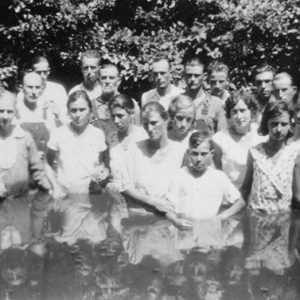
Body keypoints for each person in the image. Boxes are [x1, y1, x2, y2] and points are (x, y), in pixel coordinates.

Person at [118, 102, 186, 214]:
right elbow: (125, 186)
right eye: (145, 124)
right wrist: (153, 201)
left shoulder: (179, 151)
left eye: (154, 123)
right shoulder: (134, 149)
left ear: (166, 120)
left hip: (169, 218)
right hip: (139, 218)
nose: (150, 128)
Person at [166, 132, 245, 228]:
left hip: (209, 231)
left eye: (204, 154)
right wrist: (175, 220)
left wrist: (222, 217)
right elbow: (167, 206)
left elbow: (240, 201)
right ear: (188, 153)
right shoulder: (180, 175)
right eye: (194, 153)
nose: (199, 159)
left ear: (211, 154)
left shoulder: (218, 177)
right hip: (185, 230)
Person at [241, 100, 300, 212]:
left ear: (290, 125)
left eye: (283, 124)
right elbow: (245, 190)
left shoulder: (294, 155)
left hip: (282, 222)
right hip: (257, 219)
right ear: (266, 124)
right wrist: (224, 215)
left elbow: (297, 196)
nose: (278, 129)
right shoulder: (255, 153)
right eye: (274, 123)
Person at [46, 90, 108, 195]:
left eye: (82, 110)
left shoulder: (98, 135)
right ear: (68, 112)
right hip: (66, 195)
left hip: (91, 195)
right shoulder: (59, 133)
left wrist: (104, 172)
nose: (77, 115)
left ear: (90, 111)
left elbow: (102, 163)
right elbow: (47, 163)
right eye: (73, 110)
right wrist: (55, 187)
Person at [0, 90, 52, 199]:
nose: (5, 116)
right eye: (1, 111)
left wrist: (50, 190)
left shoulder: (24, 137)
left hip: (20, 203)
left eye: (9, 112)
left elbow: (37, 170)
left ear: (15, 112)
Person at [212, 91, 266, 189]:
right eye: (234, 111)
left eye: (242, 110)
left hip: (256, 191)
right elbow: (216, 172)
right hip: (229, 193)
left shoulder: (259, 135)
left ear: (252, 111)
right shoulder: (219, 139)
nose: (239, 116)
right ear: (229, 114)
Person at [91, 64, 141, 145]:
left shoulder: (131, 104)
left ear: (118, 81)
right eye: (104, 78)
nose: (107, 81)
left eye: (111, 78)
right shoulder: (90, 106)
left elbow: (138, 134)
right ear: (99, 81)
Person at [17, 56, 68, 124]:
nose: (42, 76)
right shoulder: (23, 94)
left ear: (49, 71)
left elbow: (68, 118)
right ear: (31, 72)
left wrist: (58, 114)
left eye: (45, 72)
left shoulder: (58, 90)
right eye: (38, 72)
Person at [183, 57, 224, 132]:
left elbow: (221, 136)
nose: (192, 79)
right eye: (189, 75)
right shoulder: (177, 102)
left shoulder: (216, 103)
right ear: (184, 76)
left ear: (204, 76)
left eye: (196, 75)